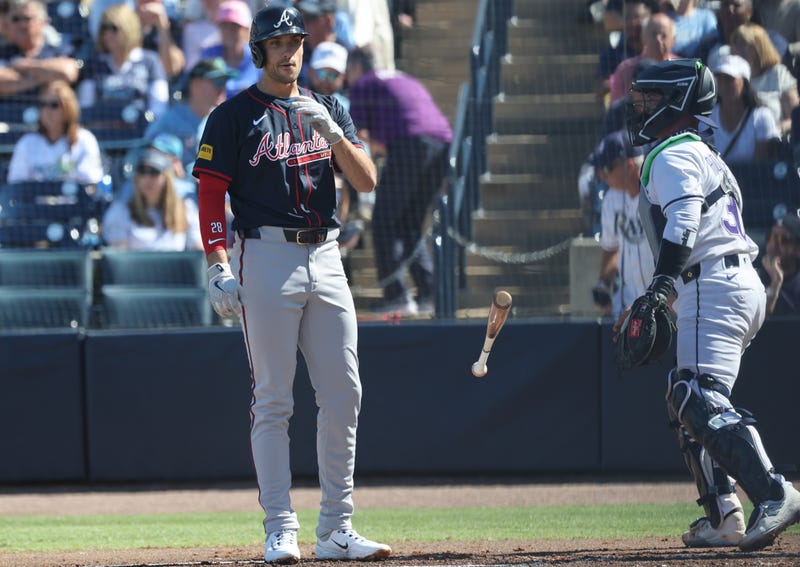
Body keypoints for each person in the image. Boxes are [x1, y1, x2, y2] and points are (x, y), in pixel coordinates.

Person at [192, 3, 391, 563]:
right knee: (274, 399)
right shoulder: (232, 116)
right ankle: (280, 526)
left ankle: (337, 527)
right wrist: (217, 264)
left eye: (295, 42)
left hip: (326, 253)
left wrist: (335, 134)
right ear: (260, 51)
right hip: (266, 254)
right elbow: (210, 193)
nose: (288, 52)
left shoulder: (327, 106)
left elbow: (367, 180)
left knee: (345, 392)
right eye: (278, 43)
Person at [622, 57, 800, 550]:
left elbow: (683, 222)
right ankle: (723, 514)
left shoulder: (672, 153)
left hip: (713, 285)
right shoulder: (702, 153)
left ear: (676, 104)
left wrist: (660, 290)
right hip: (733, 284)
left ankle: (773, 491)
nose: (641, 110)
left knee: (695, 398)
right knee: (686, 395)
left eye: (651, 101)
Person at [347, 45, 452, 315]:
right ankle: (429, 293)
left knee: (382, 221)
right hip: (441, 145)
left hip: (409, 145)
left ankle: (397, 295)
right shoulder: (404, 78)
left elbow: (352, 136)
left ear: (356, 67)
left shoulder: (363, 84)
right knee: (410, 223)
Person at [591, 130, 654, 318]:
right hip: (628, 307)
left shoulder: (657, 193)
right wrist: (604, 283)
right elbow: (612, 248)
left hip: (665, 305)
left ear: (629, 165)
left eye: (607, 168)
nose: (602, 176)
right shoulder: (611, 199)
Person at [77, 3, 170, 117]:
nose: (108, 34)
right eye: (104, 29)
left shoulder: (150, 62)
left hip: (141, 130)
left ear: (128, 29)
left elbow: (159, 106)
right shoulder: (93, 64)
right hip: (104, 129)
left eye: (114, 29)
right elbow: (86, 107)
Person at [102, 147, 201, 250]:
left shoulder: (186, 209)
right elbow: (119, 259)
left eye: (154, 172)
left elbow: (198, 251)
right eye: (142, 171)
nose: (147, 179)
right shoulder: (120, 211)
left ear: (166, 177)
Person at [7, 79, 104, 184]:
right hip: (35, 200)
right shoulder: (27, 143)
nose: (47, 111)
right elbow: (15, 185)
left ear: (68, 108)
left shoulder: (85, 140)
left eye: (54, 105)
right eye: (43, 104)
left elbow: (91, 183)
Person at [145, 57, 234, 169]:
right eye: (218, 81)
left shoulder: (223, 122)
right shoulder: (170, 121)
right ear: (195, 85)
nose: (222, 88)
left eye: (225, 82)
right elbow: (147, 154)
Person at [0, 0, 79, 101]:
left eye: (26, 19)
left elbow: (67, 73)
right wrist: (47, 76)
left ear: (43, 22)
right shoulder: (3, 52)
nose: (21, 25)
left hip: (51, 112)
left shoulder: (62, 47)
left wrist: (25, 67)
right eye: (15, 19)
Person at [709, 53, 781, 163]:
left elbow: (760, 167)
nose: (724, 84)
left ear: (745, 82)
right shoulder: (708, 119)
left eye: (730, 78)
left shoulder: (762, 117)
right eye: (720, 78)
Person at [731, 22, 799, 134]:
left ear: (759, 47)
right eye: (735, 44)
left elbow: (796, 118)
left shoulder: (778, 74)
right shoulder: (732, 80)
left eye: (743, 44)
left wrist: (777, 129)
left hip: (775, 145)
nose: (737, 50)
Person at [594, 0, 658, 105]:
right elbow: (600, 88)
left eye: (638, 17)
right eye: (627, 17)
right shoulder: (611, 54)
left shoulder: (660, 52)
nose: (632, 22)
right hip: (623, 113)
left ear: (650, 19)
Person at [609, 12, 678, 102]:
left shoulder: (682, 69)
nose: (658, 40)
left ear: (673, 40)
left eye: (663, 35)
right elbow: (615, 110)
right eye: (654, 34)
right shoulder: (625, 70)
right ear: (643, 36)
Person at [198, 0, 259, 99]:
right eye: (224, 25)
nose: (229, 31)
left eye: (235, 26)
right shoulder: (208, 55)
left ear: (246, 29)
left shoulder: (259, 57)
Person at [759, 211, 800, 315]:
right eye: (771, 237)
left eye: (784, 240)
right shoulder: (754, 280)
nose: (773, 245)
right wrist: (775, 283)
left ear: (797, 249)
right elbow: (758, 317)